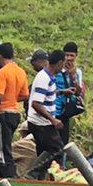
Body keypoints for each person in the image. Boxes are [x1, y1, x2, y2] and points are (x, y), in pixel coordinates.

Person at [0, 42, 29, 177]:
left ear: (0, 56)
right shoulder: (21, 72)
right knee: (5, 145)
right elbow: (25, 95)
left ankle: (8, 177)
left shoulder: (3, 72)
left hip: (2, 113)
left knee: (2, 150)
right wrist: (12, 99)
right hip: (15, 113)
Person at [24, 48, 65, 177]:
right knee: (57, 149)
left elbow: (46, 95)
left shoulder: (48, 77)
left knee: (43, 151)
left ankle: (38, 183)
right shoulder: (44, 78)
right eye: (63, 64)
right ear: (59, 63)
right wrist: (53, 120)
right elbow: (36, 103)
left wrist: (63, 91)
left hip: (41, 122)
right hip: (42, 123)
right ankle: (31, 175)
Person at [53, 42, 87, 142]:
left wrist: (73, 77)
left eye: (71, 55)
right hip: (54, 109)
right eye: (66, 55)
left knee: (63, 141)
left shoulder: (78, 72)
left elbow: (78, 93)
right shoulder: (56, 69)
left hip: (66, 111)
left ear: (76, 56)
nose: (68, 58)